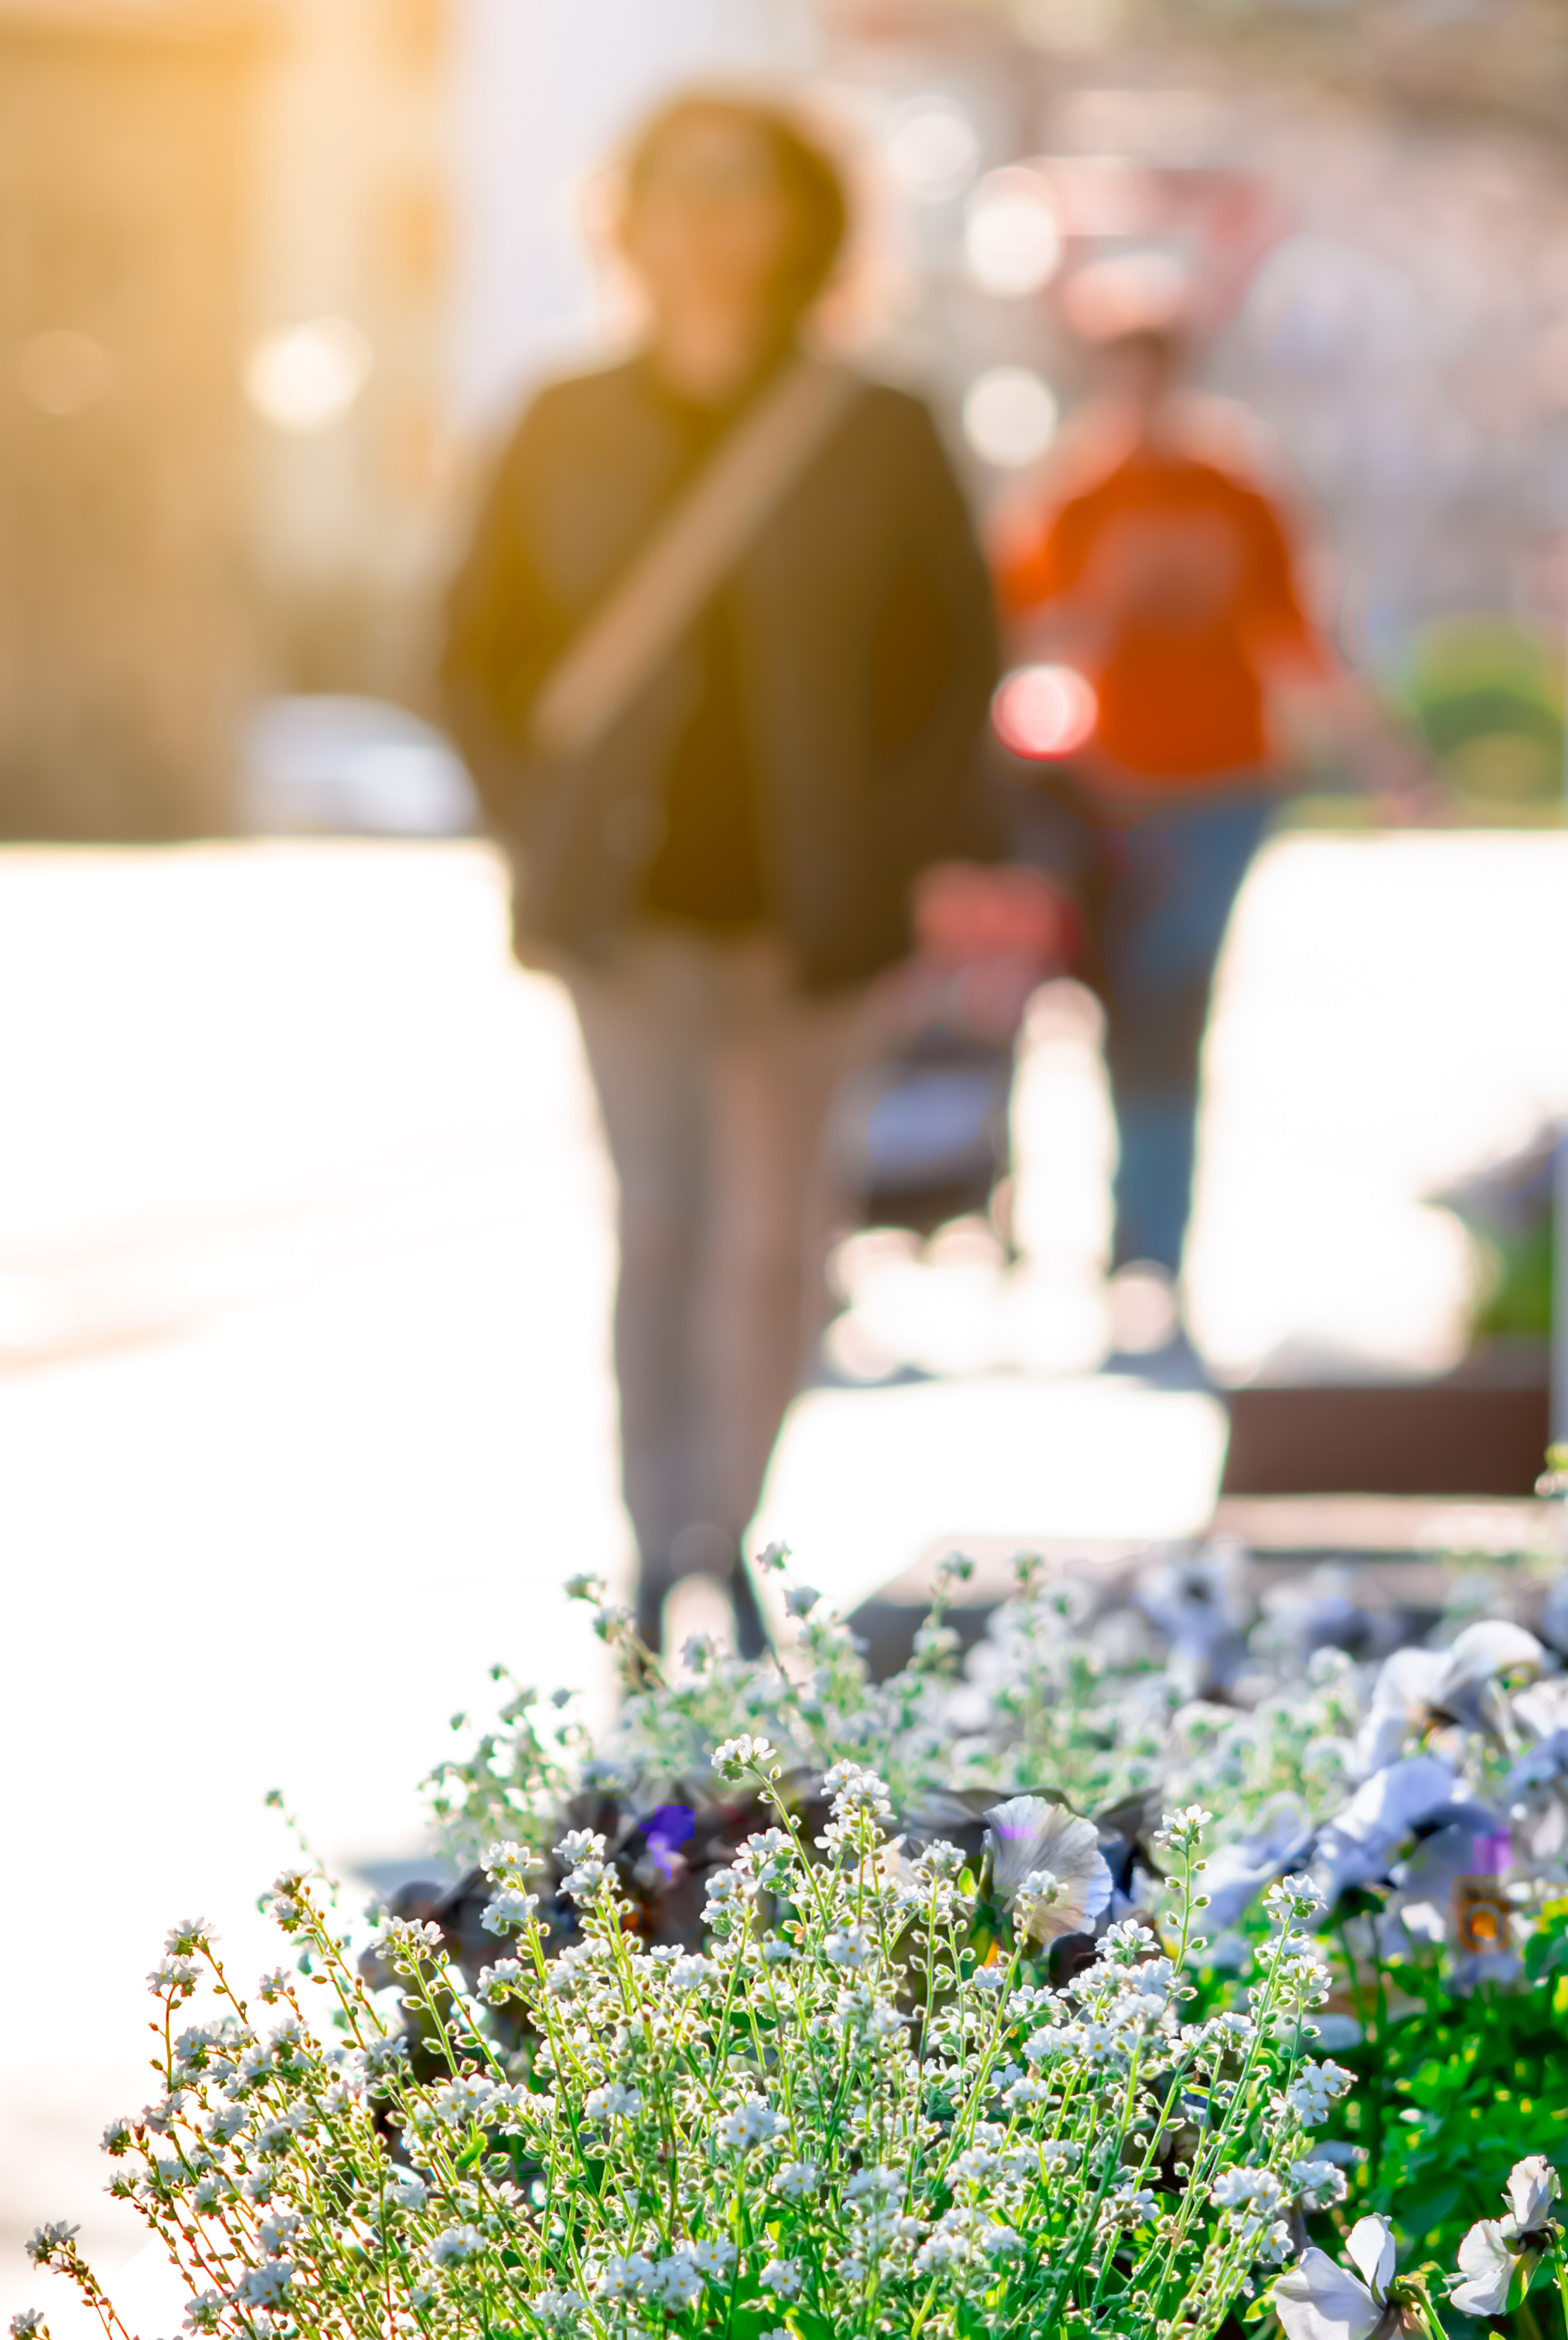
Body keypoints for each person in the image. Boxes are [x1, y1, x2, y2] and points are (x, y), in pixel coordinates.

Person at [438, 91, 1000, 1664]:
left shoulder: (874, 424)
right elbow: (468, 650)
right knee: (660, 1218)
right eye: (673, 189)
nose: (704, 221)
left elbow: (953, 659)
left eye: (737, 190)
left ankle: (729, 1533)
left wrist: (899, 844)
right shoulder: (562, 418)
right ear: (627, 216)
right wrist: (532, 818)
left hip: (814, 911)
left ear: (799, 218)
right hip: (627, 905)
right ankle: (650, 1543)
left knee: (777, 1231)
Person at [996, 295, 1410, 1361]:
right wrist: (1097, 601)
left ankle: (1152, 1250)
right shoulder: (1073, 497)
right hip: (1104, 791)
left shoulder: (1235, 489)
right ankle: (1094, 1231)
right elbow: (1018, 639)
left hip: (1224, 787)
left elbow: (1294, 634)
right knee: (1112, 1010)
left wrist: (1387, 764)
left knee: (1176, 1004)